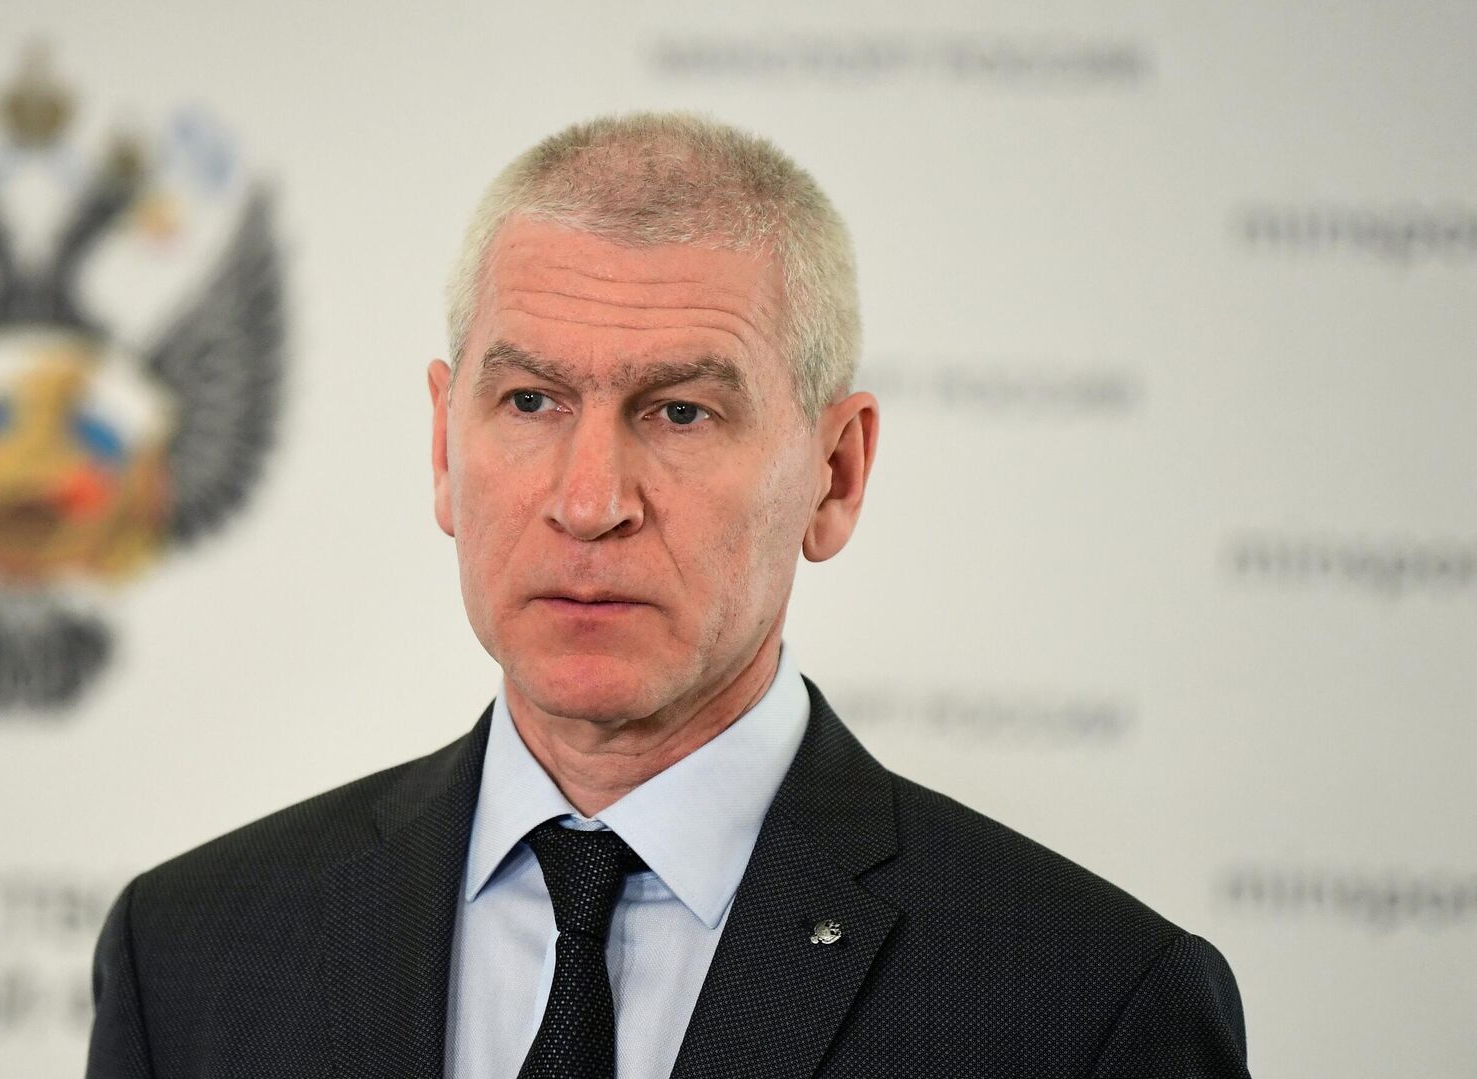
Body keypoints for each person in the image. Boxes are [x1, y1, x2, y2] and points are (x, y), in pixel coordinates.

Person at [85, 112, 1250, 1079]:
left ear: (835, 473)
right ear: (443, 446)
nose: (590, 501)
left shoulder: (1091, 1004)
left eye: (681, 411)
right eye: (531, 401)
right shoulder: (190, 952)